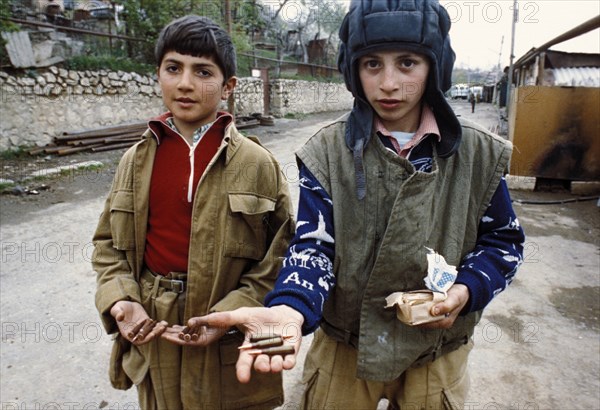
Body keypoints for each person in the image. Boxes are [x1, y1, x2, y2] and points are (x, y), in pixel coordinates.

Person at [196, 1, 525, 409]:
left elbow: (503, 243)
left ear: (435, 66)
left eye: (407, 63)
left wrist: (466, 289)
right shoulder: (327, 152)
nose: (388, 83)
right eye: (372, 64)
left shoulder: (478, 153)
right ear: (353, 69)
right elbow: (313, 246)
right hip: (344, 351)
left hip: (436, 352)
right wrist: (290, 309)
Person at [92, 15, 294, 410]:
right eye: (173, 68)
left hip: (228, 326)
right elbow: (107, 246)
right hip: (156, 325)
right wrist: (121, 300)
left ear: (228, 86)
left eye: (203, 71)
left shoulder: (257, 164)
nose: (185, 83)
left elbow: (280, 254)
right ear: (159, 75)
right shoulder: (134, 161)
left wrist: (233, 312)